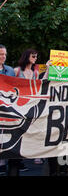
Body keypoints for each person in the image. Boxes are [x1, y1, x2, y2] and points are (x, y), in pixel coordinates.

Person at [9, 48, 40, 175]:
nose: (35, 58)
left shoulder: (35, 73)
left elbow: (40, 85)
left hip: (30, 105)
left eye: (36, 56)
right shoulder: (17, 71)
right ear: (27, 56)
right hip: (17, 105)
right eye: (33, 56)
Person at [0, 45, 15, 175]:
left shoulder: (10, 70)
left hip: (6, 108)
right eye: (1, 54)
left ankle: (3, 165)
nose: (3, 57)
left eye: (5, 54)